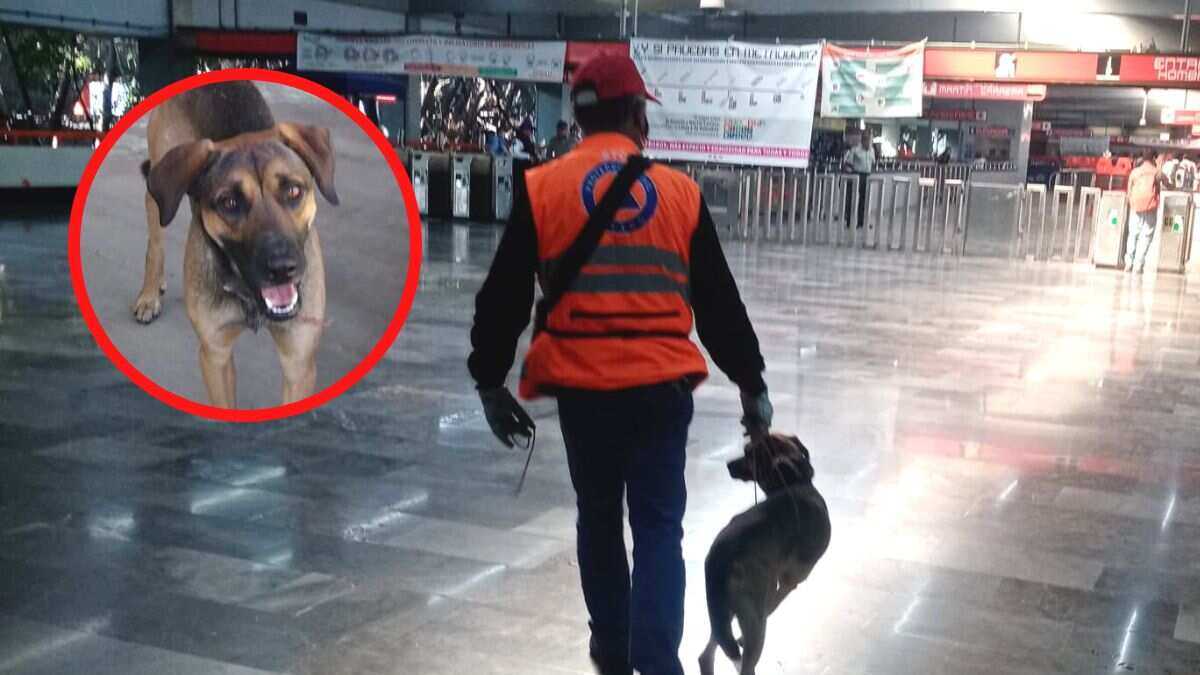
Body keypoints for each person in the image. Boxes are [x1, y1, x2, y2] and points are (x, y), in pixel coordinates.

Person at [467, 53, 771, 675]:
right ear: (636, 114)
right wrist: (752, 383)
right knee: (660, 528)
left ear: (580, 121)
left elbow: (502, 295)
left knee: (599, 521)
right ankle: (658, 664)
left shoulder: (542, 187)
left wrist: (489, 380)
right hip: (661, 392)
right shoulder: (680, 192)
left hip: (584, 393)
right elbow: (718, 304)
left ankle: (611, 651)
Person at [1125, 150, 1162, 274]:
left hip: (1136, 205)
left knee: (1133, 234)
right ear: (1153, 159)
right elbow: (1164, 184)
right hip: (1150, 206)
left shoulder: (1135, 172)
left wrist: (1131, 201)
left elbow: (1129, 189)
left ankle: (1128, 263)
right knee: (1146, 235)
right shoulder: (1156, 172)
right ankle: (1138, 266)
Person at [842, 132, 875, 227]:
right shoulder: (855, 150)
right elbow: (848, 163)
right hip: (857, 175)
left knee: (864, 200)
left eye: (870, 140)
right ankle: (849, 221)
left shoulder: (871, 150)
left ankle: (861, 222)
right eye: (867, 140)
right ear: (863, 140)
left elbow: (872, 163)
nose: (868, 142)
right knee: (853, 199)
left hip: (867, 176)